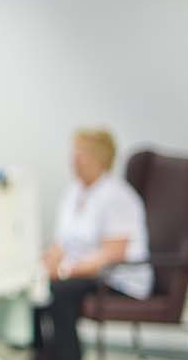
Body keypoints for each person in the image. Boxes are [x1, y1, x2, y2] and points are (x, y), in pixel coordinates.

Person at [34, 128, 152, 360]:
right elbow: (61, 243)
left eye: (81, 154)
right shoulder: (73, 192)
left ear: (100, 158)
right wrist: (42, 267)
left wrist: (65, 271)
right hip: (81, 273)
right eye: (74, 153)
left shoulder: (117, 195)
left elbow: (112, 253)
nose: (74, 160)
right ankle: (41, 353)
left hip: (118, 278)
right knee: (33, 288)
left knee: (58, 291)